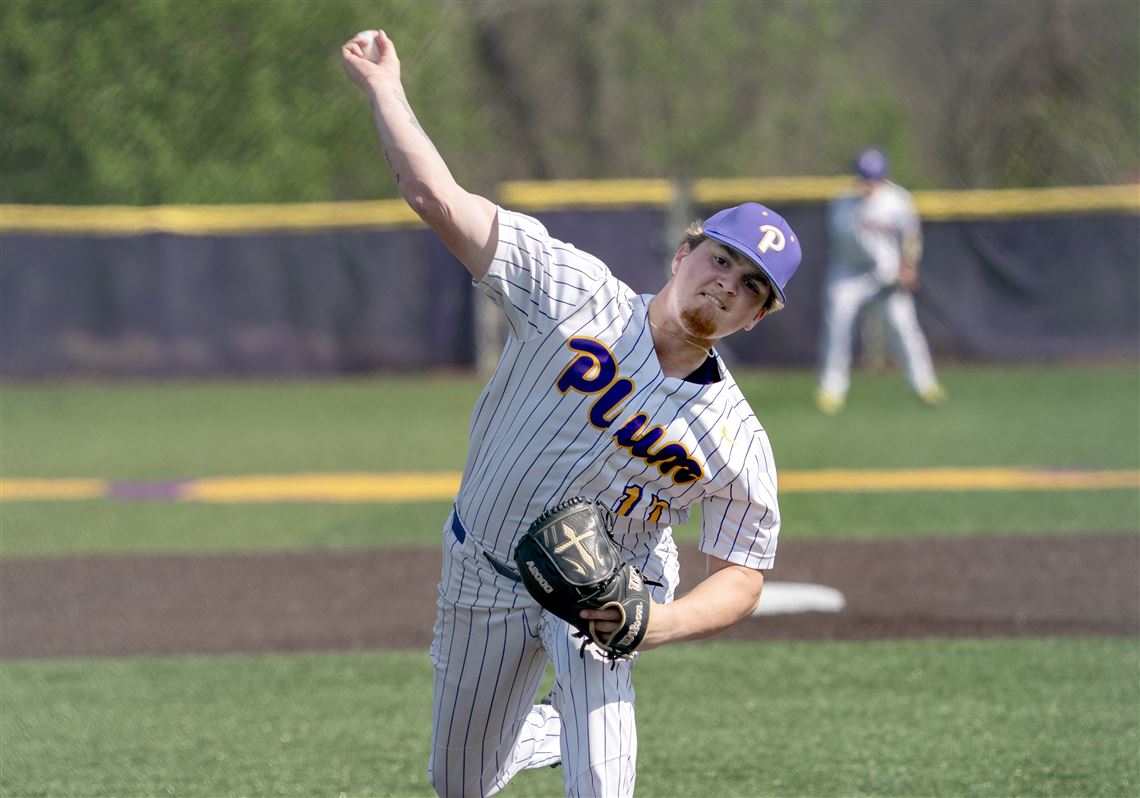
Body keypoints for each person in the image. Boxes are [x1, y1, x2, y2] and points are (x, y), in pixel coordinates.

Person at [342, 30, 802, 797]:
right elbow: (438, 201)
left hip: (603, 593)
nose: (727, 284)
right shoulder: (571, 294)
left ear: (754, 318)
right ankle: (535, 730)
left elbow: (745, 572)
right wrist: (386, 89)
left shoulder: (734, 437)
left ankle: (577, 722)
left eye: (751, 285)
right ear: (683, 253)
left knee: (602, 781)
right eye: (721, 259)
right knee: (459, 783)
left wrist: (656, 624)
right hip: (482, 572)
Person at [816, 147, 945, 414]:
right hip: (850, 273)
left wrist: (908, 265)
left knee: (903, 327)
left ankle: (925, 385)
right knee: (838, 327)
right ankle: (832, 389)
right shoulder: (842, 204)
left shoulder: (897, 200)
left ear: (883, 178)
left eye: (874, 179)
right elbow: (850, 244)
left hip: (887, 273)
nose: (869, 185)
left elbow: (911, 235)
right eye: (864, 179)